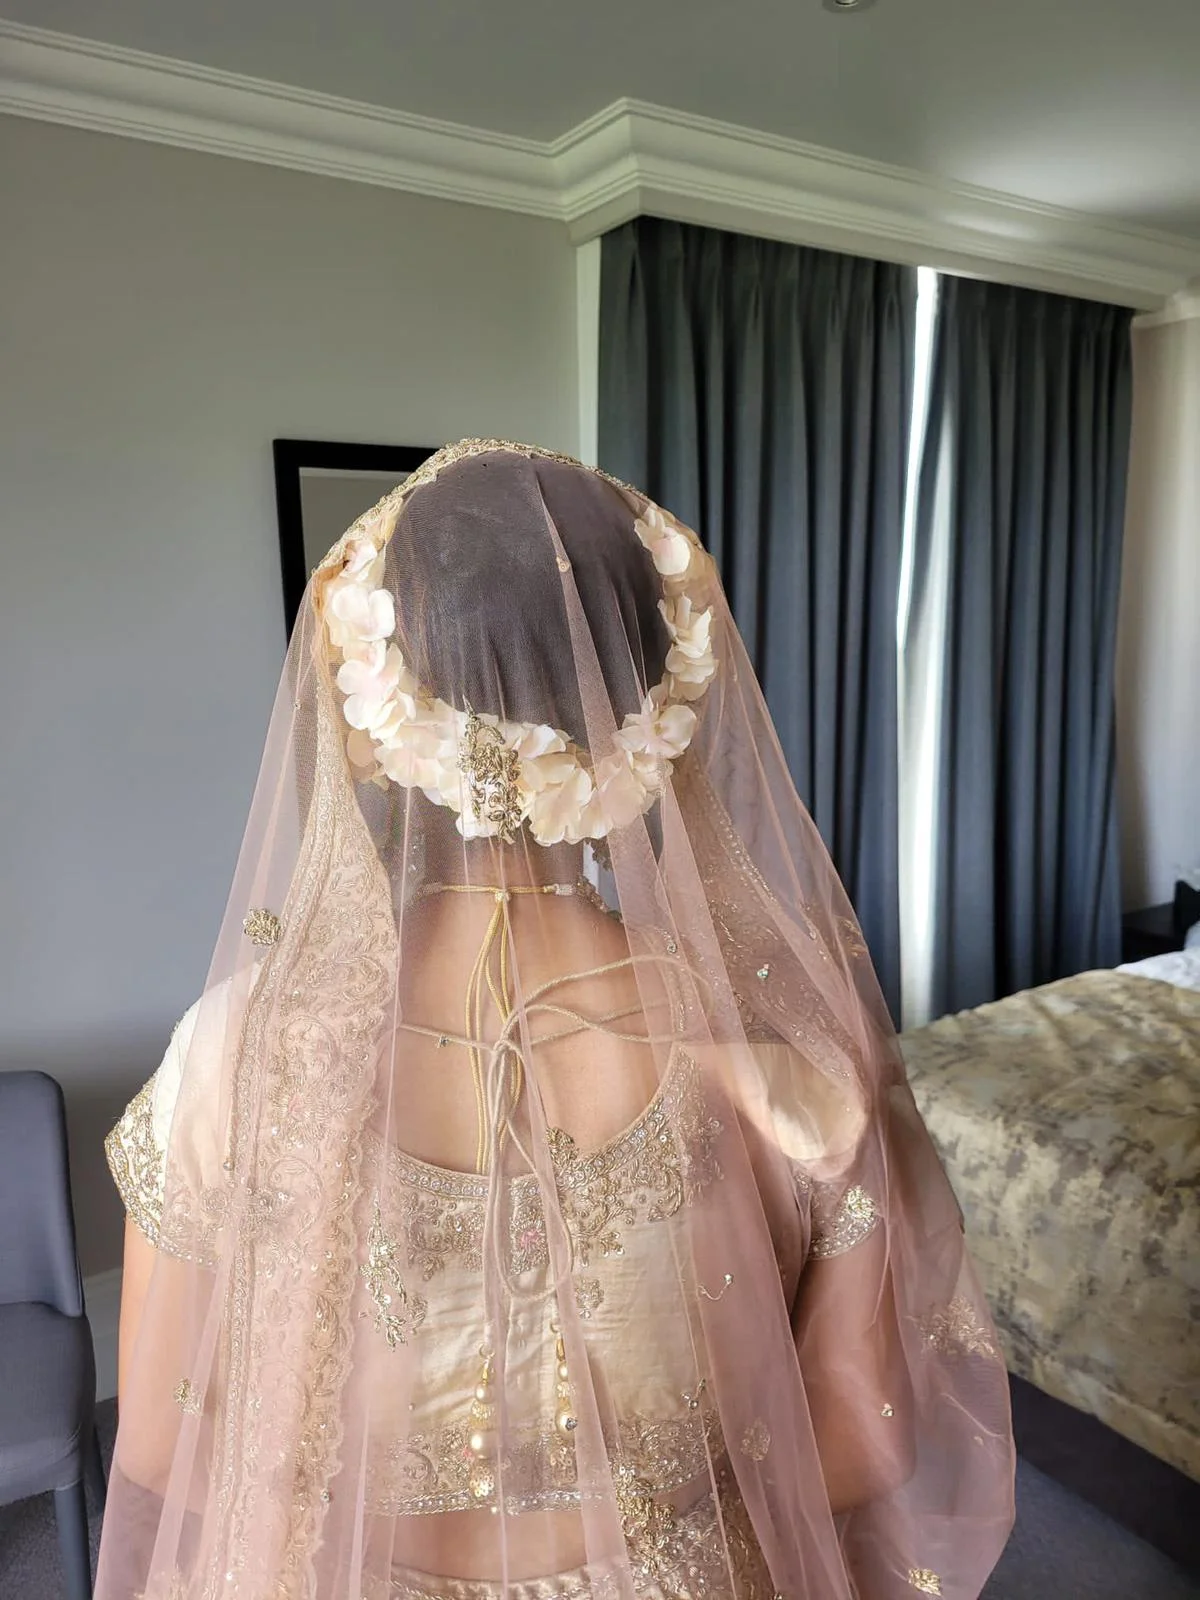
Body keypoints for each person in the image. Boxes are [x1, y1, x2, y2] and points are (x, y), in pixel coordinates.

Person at [99, 441, 1014, 1600]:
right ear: (654, 708)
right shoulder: (783, 1044)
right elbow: (866, 1437)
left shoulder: (237, 1052)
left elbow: (163, 1446)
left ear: (369, 716)